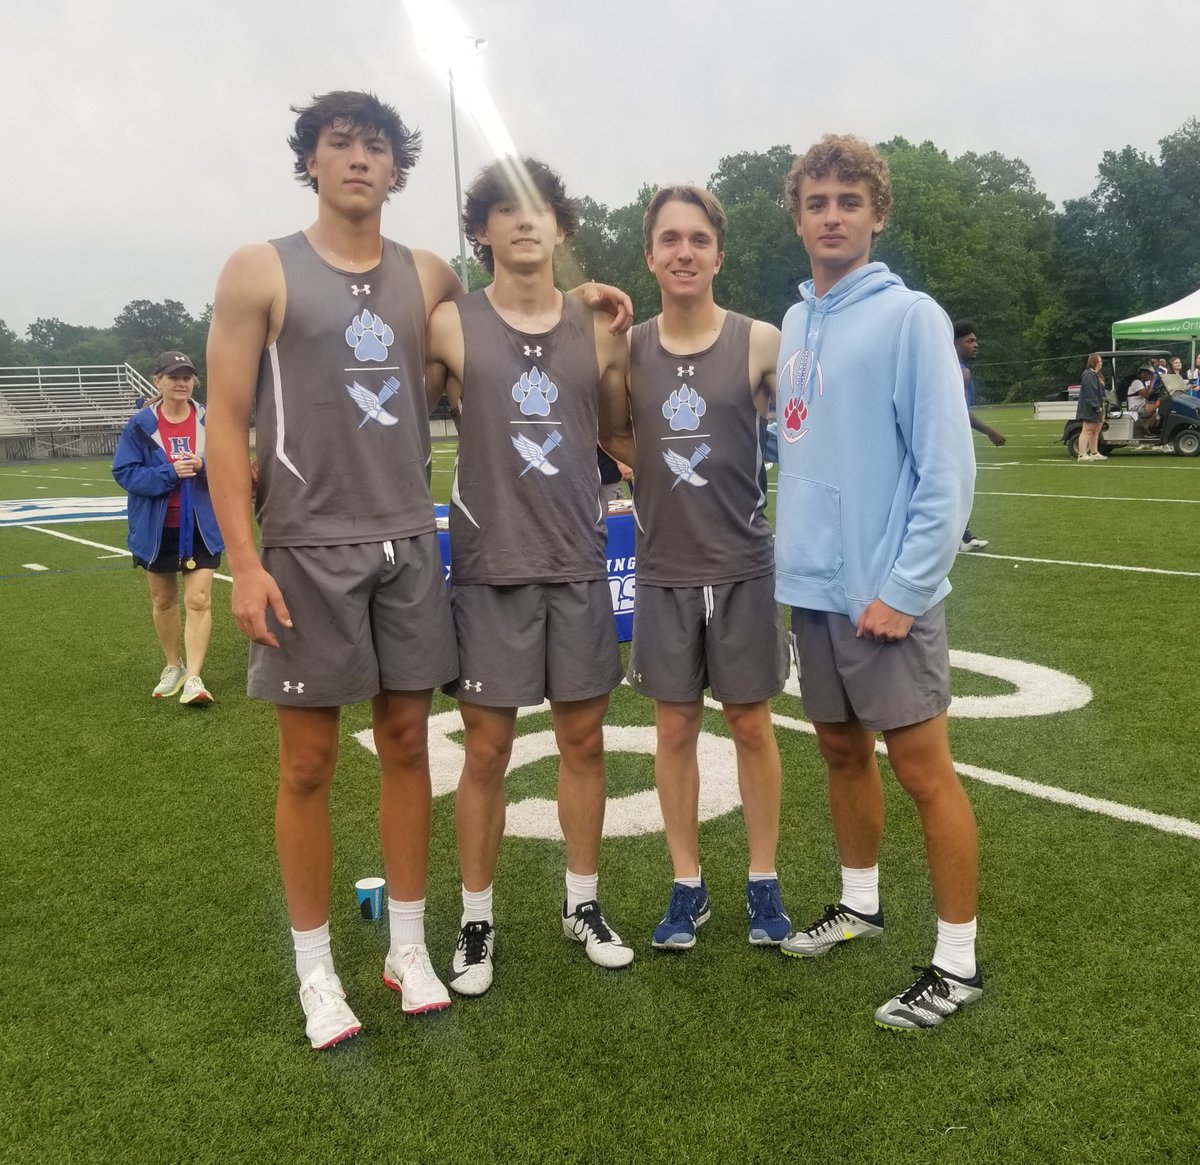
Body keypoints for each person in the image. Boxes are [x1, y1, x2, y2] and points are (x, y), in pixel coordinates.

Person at [204, 93, 634, 1050]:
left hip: (408, 544)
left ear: (399, 172)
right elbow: (223, 423)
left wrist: (593, 302)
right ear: (309, 161)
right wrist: (241, 560)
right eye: (339, 145)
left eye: (377, 149)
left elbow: (523, 323)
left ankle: (408, 946)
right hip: (307, 548)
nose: (358, 160)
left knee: (409, 747)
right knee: (308, 763)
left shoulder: (428, 277)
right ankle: (317, 969)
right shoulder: (259, 268)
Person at [773, 135, 981, 1032]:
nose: (831, 217)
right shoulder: (791, 323)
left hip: (885, 596)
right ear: (797, 216)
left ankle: (958, 963)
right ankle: (859, 903)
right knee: (839, 751)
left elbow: (947, 470)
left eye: (848, 202)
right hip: (814, 590)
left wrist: (905, 585)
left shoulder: (911, 317)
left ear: (877, 214)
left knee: (925, 772)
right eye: (817, 202)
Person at [426, 156, 634, 998]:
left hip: (579, 561)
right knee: (487, 749)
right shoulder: (447, 324)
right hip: (488, 567)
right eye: (505, 211)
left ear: (561, 227)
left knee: (584, 743)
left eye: (539, 209)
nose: (523, 222)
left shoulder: (602, 329)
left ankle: (582, 903)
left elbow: (622, 438)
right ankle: (477, 918)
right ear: (481, 231)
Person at [625, 185, 791, 951]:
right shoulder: (628, 349)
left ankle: (764, 881)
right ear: (652, 255)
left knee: (752, 724)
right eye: (670, 240)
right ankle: (687, 885)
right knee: (674, 726)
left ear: (719, 253)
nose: (684, 251)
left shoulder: (761, 340)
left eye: (698, 239)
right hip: (662, 567)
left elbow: (806, 428)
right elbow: (604, 430)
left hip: (742, 565)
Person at [112, 350, 223, 706]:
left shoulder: (211, 420)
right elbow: (125, 473)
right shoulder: (141, 425)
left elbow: (231, 463)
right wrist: (168, 473)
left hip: (201, 526)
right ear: (157, 380)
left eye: (187, 376)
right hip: (157, 529)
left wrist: (203, 464)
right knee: (163, 599)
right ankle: (172, 666)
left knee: (199, 599)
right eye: (174, 376)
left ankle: (194, 677)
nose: (182, 383)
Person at [953, 320, 1004, 552]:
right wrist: (989, 431)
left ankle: (962, 537)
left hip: (946, 437)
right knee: (960, 487)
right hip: (952, 439)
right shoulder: (961, 372)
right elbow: (960, 411)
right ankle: (961, 539)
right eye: (969, 341)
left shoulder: (947, 368)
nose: (976, 345)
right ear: (955, 344)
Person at [1075, 353, 1107, 461]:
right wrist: (1096, 406)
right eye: (1100, 361)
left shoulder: (1096, 375)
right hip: (1090, 407)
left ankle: (1094, 452)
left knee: (1096, 429)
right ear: (1094, 362)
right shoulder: (1089, 375)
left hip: (1098, 405)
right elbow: (1090, 393)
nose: (1101, 363)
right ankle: (1082, 454)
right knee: (1087, 429)